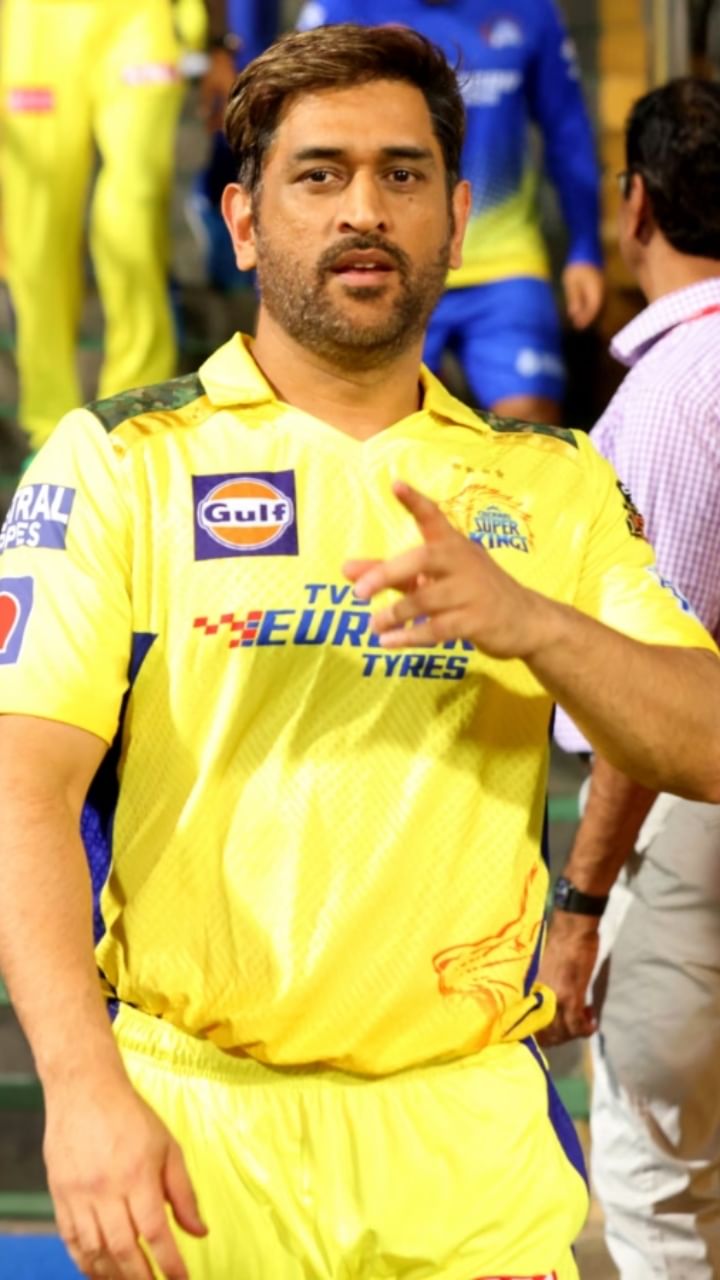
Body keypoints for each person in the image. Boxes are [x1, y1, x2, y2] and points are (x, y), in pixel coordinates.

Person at [0, 26, 719, 1280]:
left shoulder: (551, 483)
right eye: (319, 174)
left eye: (402, 173)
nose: (364, 210)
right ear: (243, 221)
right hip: (199, 1126)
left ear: (458, 218)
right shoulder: (119, 464)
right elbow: (22, 790)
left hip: (469, 1140)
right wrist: (80, 1080)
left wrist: (535, 623)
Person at [540, 78, 720, 1279]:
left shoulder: (673, 389)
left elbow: (653, 700)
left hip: (691, 825)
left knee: (660, 1199)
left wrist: (580, 901)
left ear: (636, 203)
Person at [296, 0, 604, 423]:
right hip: (388, 261)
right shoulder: (339, 9)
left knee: (532, 422)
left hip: (504, 262)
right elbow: (298, 144)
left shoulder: (531, 9)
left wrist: (586, 248)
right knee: (390, 428)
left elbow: (567, 129)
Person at [0, 0, 185, 452]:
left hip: (142, 19)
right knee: (37, 234)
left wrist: (220, 40)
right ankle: (48, 429)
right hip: (33, 24)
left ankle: (137, 414)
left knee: (135, 213)